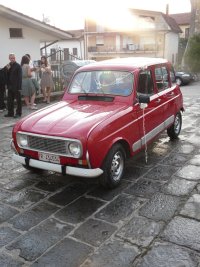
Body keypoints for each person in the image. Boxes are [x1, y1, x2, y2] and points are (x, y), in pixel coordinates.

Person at [4, 53, 22, 118]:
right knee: (9, 101)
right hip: (10, 86)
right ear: (9, 58)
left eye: (13, 58)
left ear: (15, 58)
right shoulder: (8, 65)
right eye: (11, 58)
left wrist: (19, 87)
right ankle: (10, 113)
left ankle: (18, 113)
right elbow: (5, 74)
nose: (12, 59)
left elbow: (20, 77)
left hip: (16, 86)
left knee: (18, 101)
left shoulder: (18, 66)